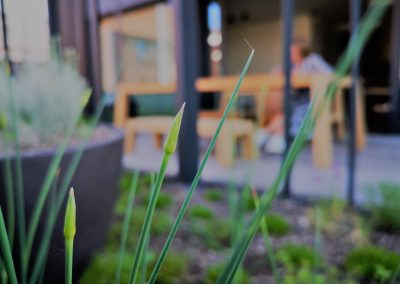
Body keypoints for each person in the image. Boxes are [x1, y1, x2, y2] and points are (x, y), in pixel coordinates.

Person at [255, 40, 333, 154]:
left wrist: (308, 77)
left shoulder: (312, 60)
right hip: (295, 101)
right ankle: (269, 135)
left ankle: (276, 137)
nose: (290, 54)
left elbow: (330, 74)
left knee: (291, 115)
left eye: (293, 52)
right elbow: (277, 73)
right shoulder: (291, 65)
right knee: (281, 113)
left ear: (301, 51)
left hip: (311, 101)